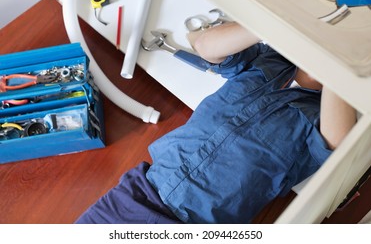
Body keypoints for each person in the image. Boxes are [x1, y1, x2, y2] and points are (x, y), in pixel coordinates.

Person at [75, 22, 356, 224]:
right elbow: (204, 44)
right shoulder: (268, 60)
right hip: (131, 200)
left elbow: (338, 143)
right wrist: (274, 21)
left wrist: (335, 60)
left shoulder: (321, 111)